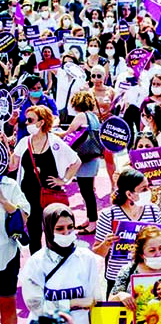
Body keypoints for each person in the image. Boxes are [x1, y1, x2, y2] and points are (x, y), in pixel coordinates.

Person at [9, 106, 81, 254]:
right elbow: (12, 166)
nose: (26, 123)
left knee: (54, 231)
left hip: (50, 194)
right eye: (26, 119)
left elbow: (76, 161)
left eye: (30, 120)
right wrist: (6, 145)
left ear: (41, 122)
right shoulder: (24, 142)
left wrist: (64, 180)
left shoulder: (55, 142)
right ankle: (37, 264)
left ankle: (57, 262)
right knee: (34, 233)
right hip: (28, 195)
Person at [20, 204, 100, 324]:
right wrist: (73, 302)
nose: (66, 232)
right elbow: (36, 305)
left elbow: (95, 300)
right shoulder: (36, 262)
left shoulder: (86, 258)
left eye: (70, 227)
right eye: (59, 228)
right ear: (48, 228)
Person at [93, 168, 161, 299]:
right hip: (118, 279)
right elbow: (97, 252)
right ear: (129, 194)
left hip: (148, 275)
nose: (148, 192)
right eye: (143, 189)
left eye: (148, 187)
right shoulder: (108, 215)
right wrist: (106, 244)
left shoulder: (153, 211)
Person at [109, 226, 161, 313]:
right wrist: (121, 295)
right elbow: (110, 302)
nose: (158, 254)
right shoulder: (128, 270)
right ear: (141, 254)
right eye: (152, 250)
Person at [57, 91, 101, 235]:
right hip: (92, 157)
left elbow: (67, 133)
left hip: (84, 159)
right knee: (88, 191)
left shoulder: (81, 116)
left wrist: (53, 132)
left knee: (86, 192)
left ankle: (93, 223)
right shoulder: (94, 117)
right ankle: (90, 219)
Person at [0, 173, 30, 324]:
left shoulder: (9, 185)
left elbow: (24, 218)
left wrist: (4, 201)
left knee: (7, 305)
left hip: (7, 255)